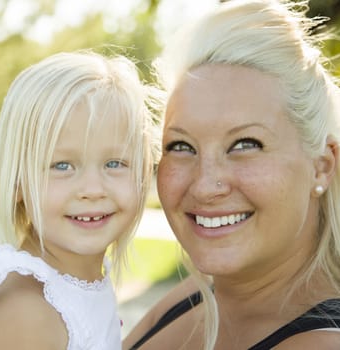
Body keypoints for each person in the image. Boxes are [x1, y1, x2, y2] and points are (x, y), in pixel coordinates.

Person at [123, 0, 340, 349]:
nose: (206, 186)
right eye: (181, 146)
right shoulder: (198, 294)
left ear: (322, 165)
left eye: (245, 143)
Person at [0, 51, 162, 350]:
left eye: (115, 163)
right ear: (17, 181)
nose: (93, 189)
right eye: (62, 166)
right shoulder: (28, 313)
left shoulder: (71, 284)